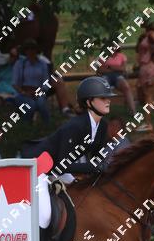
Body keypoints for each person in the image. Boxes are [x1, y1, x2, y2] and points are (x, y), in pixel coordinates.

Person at [28, 76, 115, 229]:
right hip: (39, 169)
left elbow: (97, 159)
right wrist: (93, 167)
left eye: (108, 97)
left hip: (58, 171)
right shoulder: (74, 126)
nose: (108, 101)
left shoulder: (102, 126)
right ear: (89, 102)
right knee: (45, 217)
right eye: (103, 98)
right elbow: (62, 166)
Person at [12, 39, 51, 123]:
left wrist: (38, 92)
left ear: (36, 50)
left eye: (32, 48)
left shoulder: (43, 64)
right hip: (22, 93)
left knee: (42, 105)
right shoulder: (19, 64)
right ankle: (26, 126)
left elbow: (46, 83)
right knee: (30, 106)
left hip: (39, 92)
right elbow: (15, 83)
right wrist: (23, 92)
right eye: (28, 49)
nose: (30, 51)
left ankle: (47, 126)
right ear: (25, 51)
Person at [97, 46, 136, 114]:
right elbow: (100, 70)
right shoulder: (103, 56)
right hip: (106, 76)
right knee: (103, 88)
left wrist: (109, 67)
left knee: (126, 87)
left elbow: (123, 68)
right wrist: (116, 68)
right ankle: (100, 110)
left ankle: (133, 111)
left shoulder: (122, 56)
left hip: (118, 76)